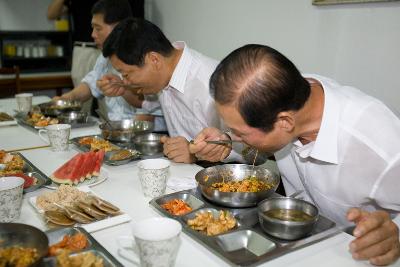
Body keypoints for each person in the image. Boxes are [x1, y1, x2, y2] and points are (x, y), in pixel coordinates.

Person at [190, 44, 400, 265]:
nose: (233, 135)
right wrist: (227, 142)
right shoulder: (289, 95)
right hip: (300, 242)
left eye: (239, 132)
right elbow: (261, 142)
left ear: (284, 122)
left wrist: (395, 233)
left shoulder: (378, 143)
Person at [97, 18, 242, 163]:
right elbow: (147, 104)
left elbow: (252, 149)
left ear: (154, 60)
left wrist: (195, 153)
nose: (125, 81)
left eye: (126, 74)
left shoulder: (210, 84)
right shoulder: (166, 72)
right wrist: (123, 90)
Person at [52, 0, 163, 126]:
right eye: (92, 28)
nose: (93, 35)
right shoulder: (104, 56)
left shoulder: (141, 55)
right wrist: (64, 99)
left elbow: (147, 113)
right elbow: (92, 83)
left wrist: (116, 132)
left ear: (119, 27)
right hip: (119, 129)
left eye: (98, 28)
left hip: (141, 131)